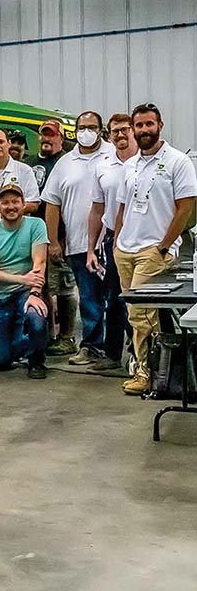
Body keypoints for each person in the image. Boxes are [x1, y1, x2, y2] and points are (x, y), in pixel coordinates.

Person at [113, 103, 197, 395]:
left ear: (160, 125)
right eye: (140, 125)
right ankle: (152, 368)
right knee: (135, 314)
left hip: (154, 249)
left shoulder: (177, 162)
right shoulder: (130, 165)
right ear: (134, 129)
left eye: (149, 124)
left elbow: (186, 207)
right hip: (126, 249)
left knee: (142, 314)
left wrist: (163, 246)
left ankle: (147, 373)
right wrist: (117, 240)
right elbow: (123, 206)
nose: (144, 130)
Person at [42, 111, 115, 366]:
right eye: (82, 127)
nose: (86, 131)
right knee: (89, 298)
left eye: (91, 127)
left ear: (101, 129)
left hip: (112, 242)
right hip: (78, 243)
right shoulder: (65, 162)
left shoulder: (113, 155)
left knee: (115, 300)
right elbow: (52, 203)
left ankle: (117, 351)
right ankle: (93, 346)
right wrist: (53, 240)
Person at [0, 184, 49, 379]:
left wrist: (35, 293)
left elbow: (39, 261)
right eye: (5, 202)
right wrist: (22, 278)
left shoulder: (36, 225)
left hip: (26, 292)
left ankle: (36, 360)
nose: (11, 207)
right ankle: (20, 340)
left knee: (36, 317)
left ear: (23, 204)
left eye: (15, 202)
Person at [86, 113, 138, 372]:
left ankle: (145, 356)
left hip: (141, 240)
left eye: (125, 130)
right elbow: (97, 210)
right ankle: (112, 353)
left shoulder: (143, 163)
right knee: (114, 299)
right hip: (111, 241)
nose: (120, 135)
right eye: (115, 131)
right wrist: (91, 249)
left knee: (141, 301)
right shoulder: (102, 166)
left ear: (134, 131)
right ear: (108, 135)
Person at [27, 120, 77, 356]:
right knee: (42, 286)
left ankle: (67, 337)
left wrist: (60, 239)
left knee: (65, 288)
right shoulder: (31, 164)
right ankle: (47, 335)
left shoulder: (68, 163)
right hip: (36, 238)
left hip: (63, 237)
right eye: (43, 136)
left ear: (60, 138)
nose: (47, 140)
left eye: (51, 136)